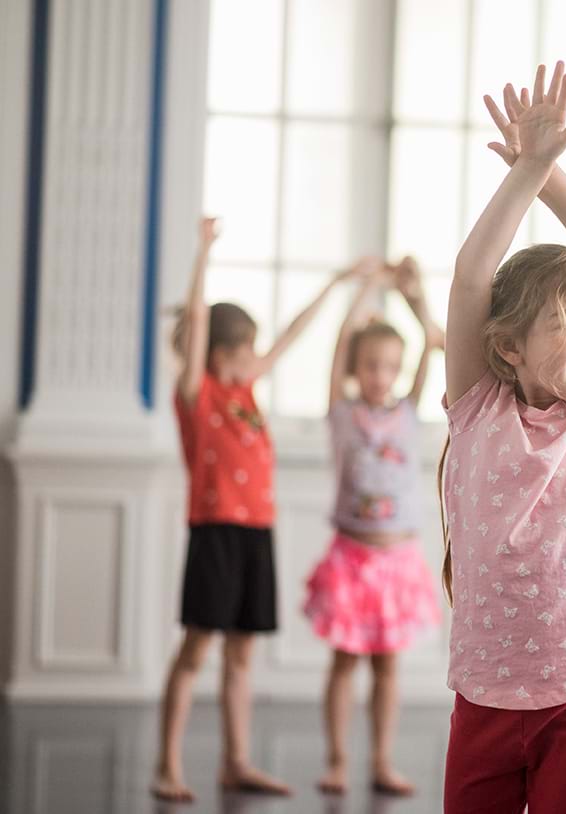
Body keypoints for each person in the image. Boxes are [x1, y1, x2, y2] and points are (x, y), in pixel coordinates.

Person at [439, 63, 566, 813]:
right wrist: (523, 172)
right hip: (488, 694)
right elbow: (471, 279)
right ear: (509, 348)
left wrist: (550, 172)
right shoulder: (477, 409)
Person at [152, 217, 359, 802]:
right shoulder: (199, 394)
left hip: (255, 533)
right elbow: (194, 335)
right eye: (245, 351)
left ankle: (235, 760)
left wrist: (337, 282)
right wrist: (203, 255)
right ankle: (168, 764)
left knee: (243, 651)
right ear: (219, 354)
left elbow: (293, 334)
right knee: (198, 647)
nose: (255, 360)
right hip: (215, 532)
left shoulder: (245, 393)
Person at [305, 256, 445, 796]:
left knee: (388, 668)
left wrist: (414, 293)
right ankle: (338, 760)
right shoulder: (341, 413)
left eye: (389, 366)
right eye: (370, 366)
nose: (380, 376)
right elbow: (341, 342)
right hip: (352, 556)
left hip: (399, 559)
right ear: (355, 369)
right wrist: (366, 288)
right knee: (345, 665)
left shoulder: (409, 410)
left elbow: (431, 345)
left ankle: (382, 760)